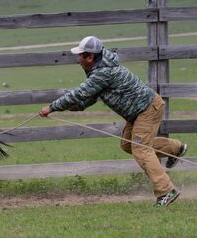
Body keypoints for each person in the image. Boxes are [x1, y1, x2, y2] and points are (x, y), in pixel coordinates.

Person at [39, 36, 188, 206]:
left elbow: (79, 93)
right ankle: (175, 148)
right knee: (127, 145)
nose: (78, 59)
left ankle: (166, 191)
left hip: (147, 109)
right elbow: (88, 98)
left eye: (80, 55)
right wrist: (70, 108)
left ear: (90, 57)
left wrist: (52, 107)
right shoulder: (99, 71)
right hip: (139, 111)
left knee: (140, 149)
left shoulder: (102, 73)